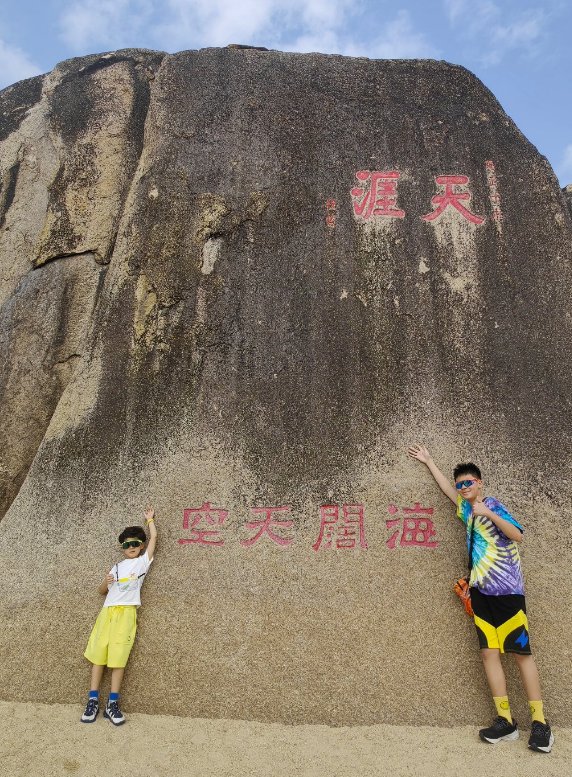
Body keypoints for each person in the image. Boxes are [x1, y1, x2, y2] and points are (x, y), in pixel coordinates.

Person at [408, 446, 553, 753]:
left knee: (521, 654)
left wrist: (488, 513)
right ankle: (506, 721)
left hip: (508, 594)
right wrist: (430, 462)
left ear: (480, 483)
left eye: (468, 482)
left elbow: (518, 536)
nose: (463, 487)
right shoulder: (466, 510)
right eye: (461, 484)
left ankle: (541, 724)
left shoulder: (492, 506)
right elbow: (447, 490)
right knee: (489, 654)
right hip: (481, 594)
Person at [80, 506, 157, 726]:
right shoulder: (116, 566)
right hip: (107, 613)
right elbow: (101, 590)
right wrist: (107, 580)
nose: (131, 547)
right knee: (98, 657)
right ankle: (92, 700)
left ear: (140, 546)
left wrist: (150, 521)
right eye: (126, 544)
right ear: (122, 548)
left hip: (126, 614)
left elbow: (155, 540)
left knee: (118, 659)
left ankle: (112, 704)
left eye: (135, 543)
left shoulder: (142, 562)